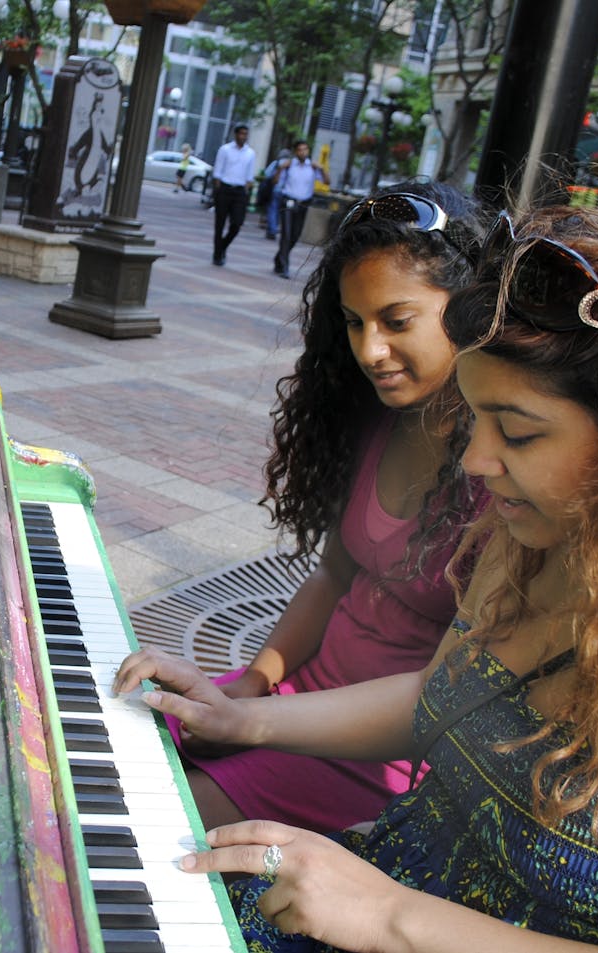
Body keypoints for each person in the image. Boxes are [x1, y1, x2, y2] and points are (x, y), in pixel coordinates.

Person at [116, 204, 598, 951]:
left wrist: (392, 916)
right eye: (476, 419)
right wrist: (242, 716)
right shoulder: (529, 539)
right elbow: (441, 692)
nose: (479, 461)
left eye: (516, 430)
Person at [143, 183, 491, 836]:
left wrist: (252, 719)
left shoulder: (500, 475)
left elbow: (444, 699)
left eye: (396, 320)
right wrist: (254, 680)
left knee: (158, 819)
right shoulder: (380, 420)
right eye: (355, 323)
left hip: (374, 752)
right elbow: (333, 578)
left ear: (469, 307)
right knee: (109, 736)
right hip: (292, 697)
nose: (369, 350)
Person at [272, 140, 331, 279]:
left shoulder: (313, 167)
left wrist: (322, 168)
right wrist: (280, 168)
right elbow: (274, 182)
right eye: (300, 150)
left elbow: (327, 182)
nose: (302, 152)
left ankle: (279, 258)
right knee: (286, 234)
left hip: (303, 204)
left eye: (305, 149)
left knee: (295, 235)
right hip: (288, 201)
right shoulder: (289, 165)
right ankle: (284, 266)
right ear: (295, 152)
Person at [212, 124, 257, 266]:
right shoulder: (225, 150)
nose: (243, 136)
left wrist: (246, 191)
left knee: (236, 224)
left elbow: (249, 176)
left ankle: (222, 247)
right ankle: (217, 255)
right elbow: (217, 172)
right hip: (224, 189)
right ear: (235, 134)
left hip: (239, 192)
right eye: (241, 133)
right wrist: (218, 191)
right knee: (219, 224)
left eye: (246, 134)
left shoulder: (250, 153)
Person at [259, 148, 292, 239]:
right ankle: (275, 227)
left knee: (272, 209)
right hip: (287, 192)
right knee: (280, 211)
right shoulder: (291, 164)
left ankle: (272, 230)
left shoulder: (276, 163)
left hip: (275, 190)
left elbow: (267, 174)